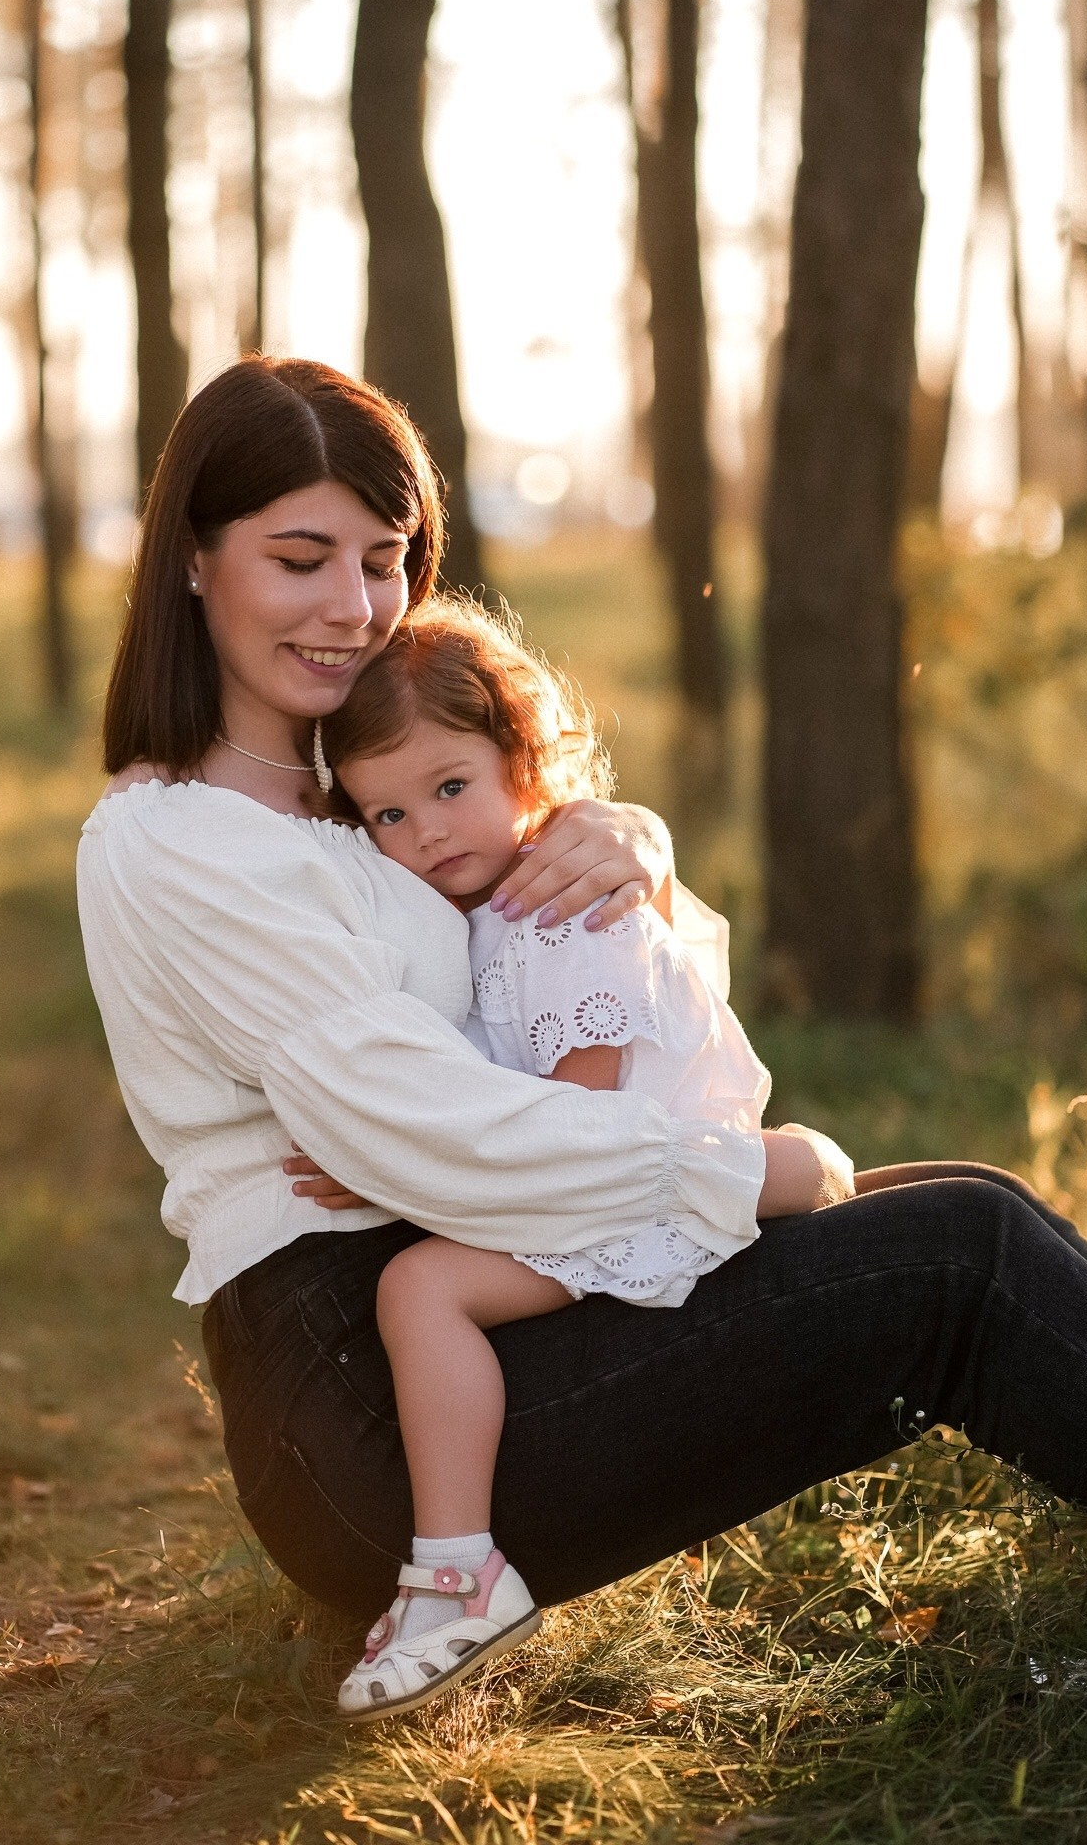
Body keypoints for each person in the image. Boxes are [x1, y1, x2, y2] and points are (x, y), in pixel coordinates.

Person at [78, 356, 1087, 1740]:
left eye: (383, 559)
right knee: (962, 1259)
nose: (353, 610)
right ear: (191, 557)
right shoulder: (180, 842)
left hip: (489, 1276)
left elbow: (548, 966)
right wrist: (729, 1171)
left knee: (977, 1203)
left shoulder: (358, 795)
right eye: (299, 559)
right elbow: (431, 1127)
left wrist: (623, 843)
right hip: (368, 1414)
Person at [319, 598, 855, 1716]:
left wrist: (398, 1172)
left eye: (450, 787)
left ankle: (460, 1571)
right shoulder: (474, 917)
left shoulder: (555, 914)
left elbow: (580, 1114)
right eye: (385, 814)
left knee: (421, 1287)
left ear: (520, 758)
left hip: (619, 1168)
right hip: (607, 1165)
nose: (424, 832)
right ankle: (781, 1167)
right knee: (426, 1276)